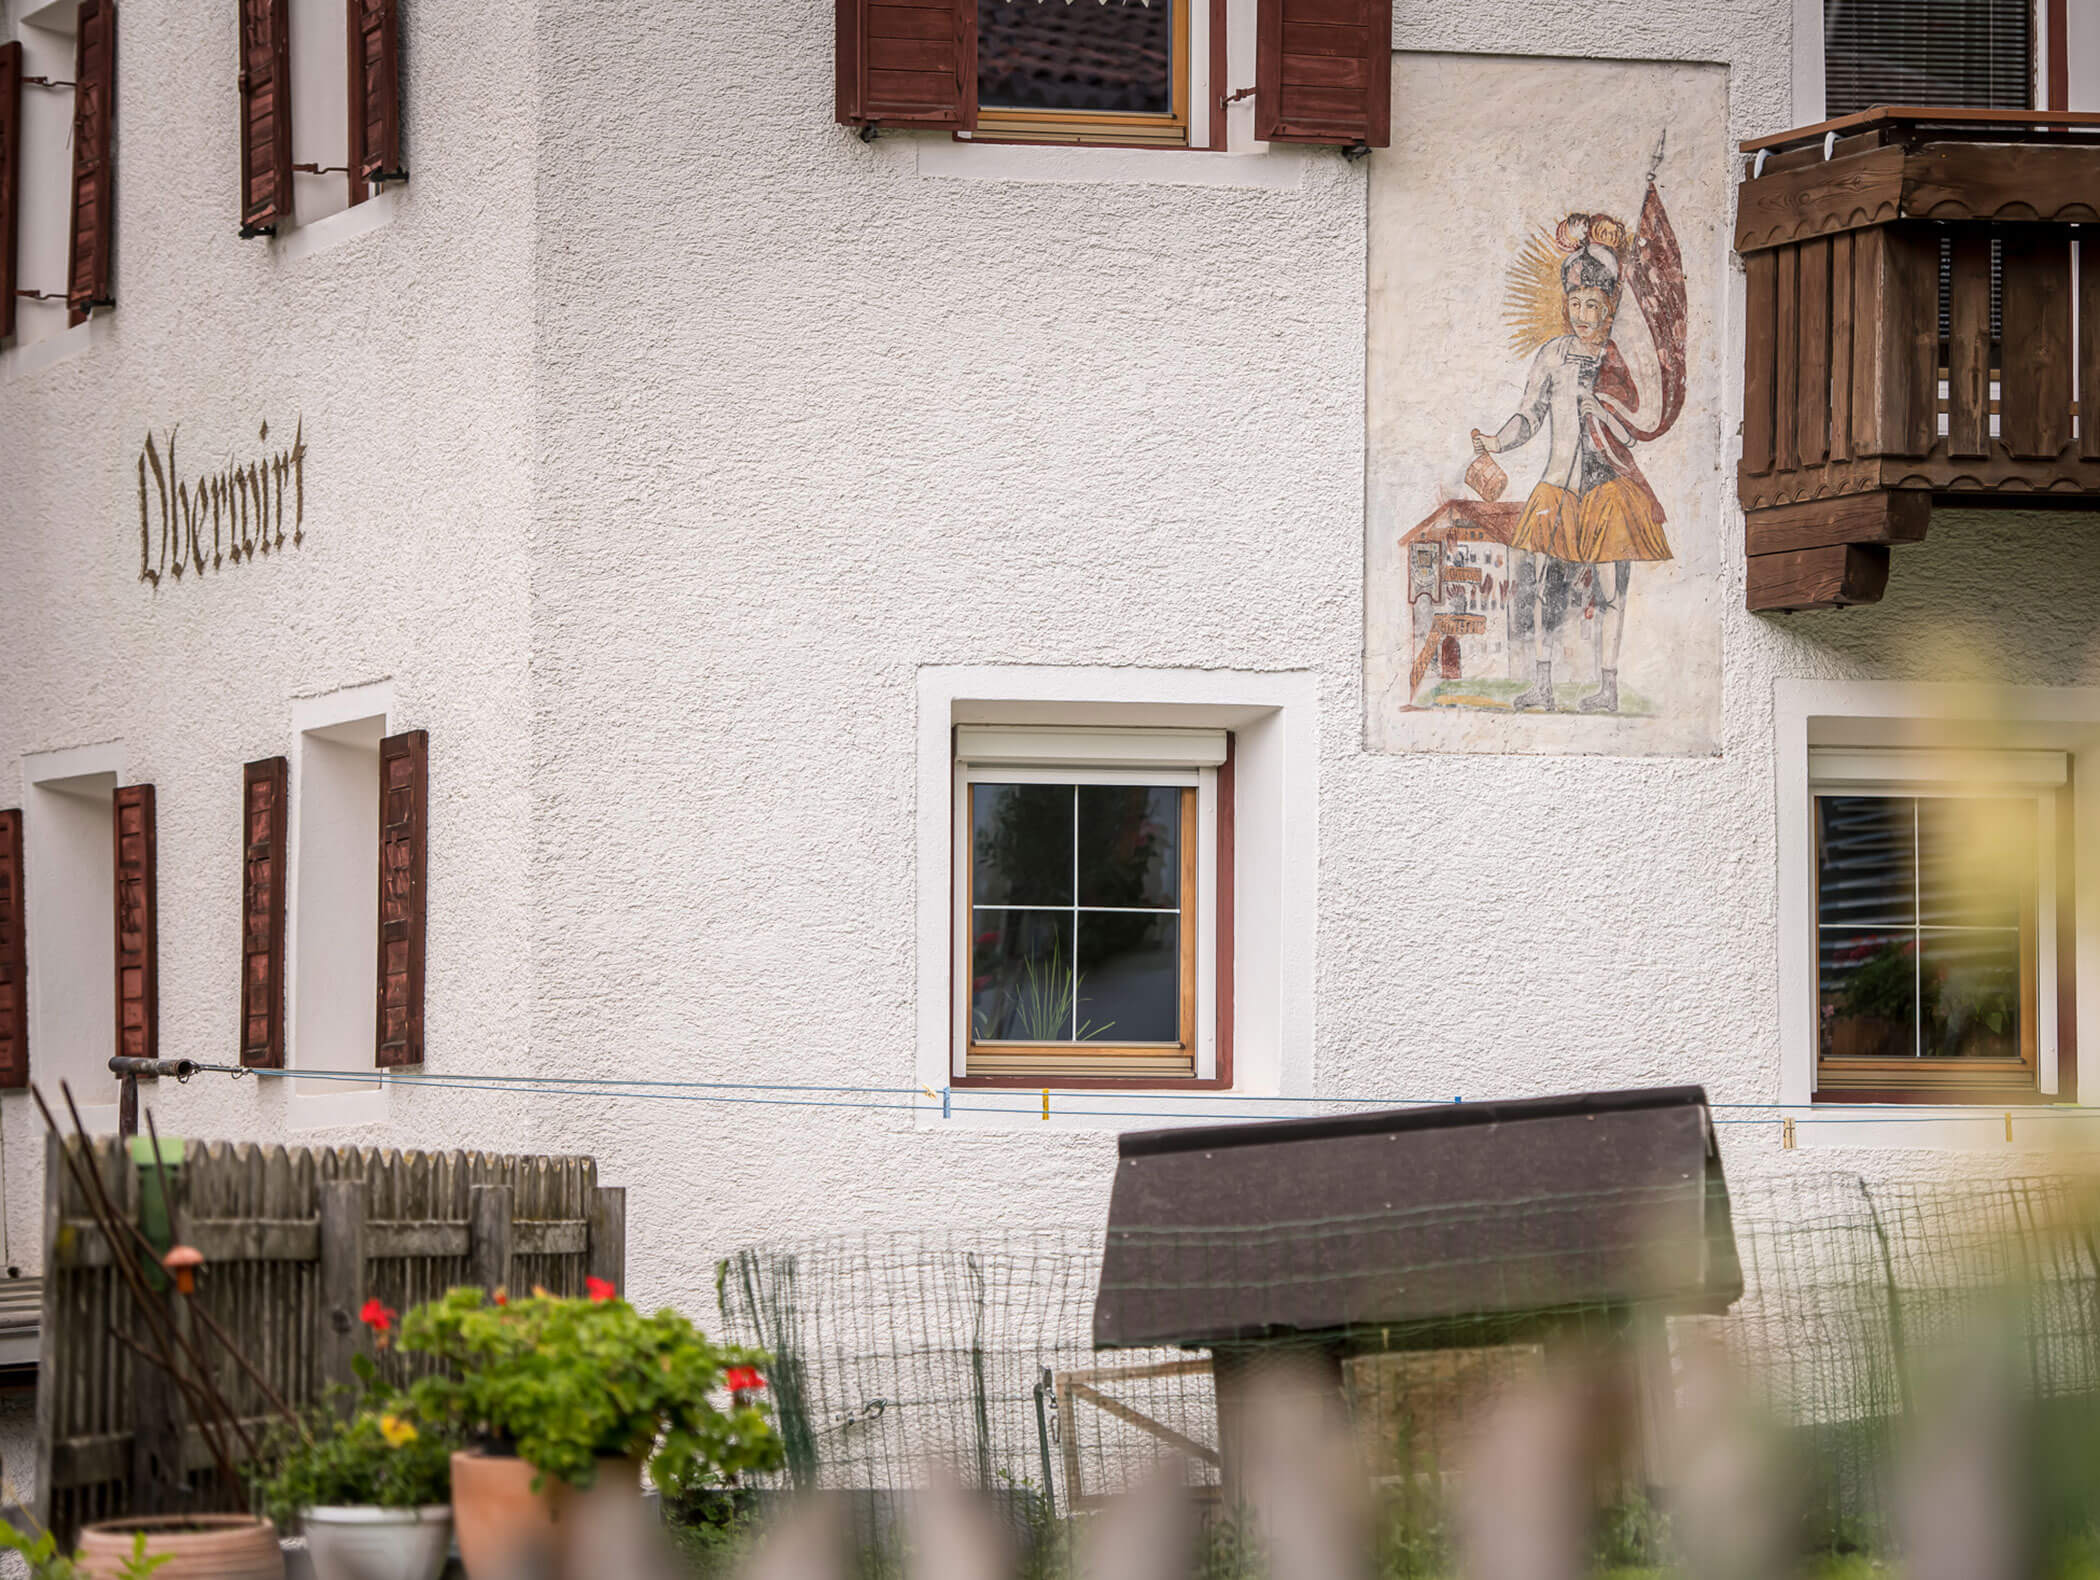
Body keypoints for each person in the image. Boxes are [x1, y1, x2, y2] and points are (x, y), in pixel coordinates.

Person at [1470, 209, 1674, 713]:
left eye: (1594, 304)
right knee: (1542, 589)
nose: (1583, 313)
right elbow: (1530, 414)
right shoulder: (1552, 355)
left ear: (1609, 307)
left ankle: (1607, 686)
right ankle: (1543, 685)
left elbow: (1642, 423)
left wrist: (1605, 410)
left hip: (1609, 485)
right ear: (1566, 304)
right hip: (1558, 484)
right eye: (1576, 302)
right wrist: (1496, 442)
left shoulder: (1619, 357)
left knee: (1611, 591)